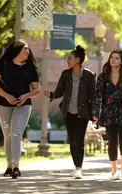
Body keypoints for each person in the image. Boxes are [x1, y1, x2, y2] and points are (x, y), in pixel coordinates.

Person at [44, 45, 95, 179]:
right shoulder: (66, 74)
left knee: (80, 140)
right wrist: (51, 94)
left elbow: (93, 96)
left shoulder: (89, 75)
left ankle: (79, 168)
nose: (68, 60)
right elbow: (60, 91)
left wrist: (95, 113)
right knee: (73, 140)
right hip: (68, 112)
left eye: (70, 58)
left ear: (77, 60)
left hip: (82, 113)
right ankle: (76, 166)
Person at [0, 39, 40, 179]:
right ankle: (9, 165)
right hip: (3, 104)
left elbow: (37, 89)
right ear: (17, 50)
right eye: (25, 49)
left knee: (16, 133)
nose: (28, 51)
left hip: (23, 105)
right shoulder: (3, 64)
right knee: (8, 134)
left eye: (27, 49)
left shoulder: (30, 67)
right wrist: (6, 96)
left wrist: (26, 96)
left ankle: (16, 166)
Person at [92, 49, 122, 180]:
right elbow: (97, 96)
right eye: (112, 57)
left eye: (117, 58)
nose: (113, 60)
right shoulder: (103, 76)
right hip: (109, 113)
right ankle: (114, 170)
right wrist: (95, 113)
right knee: (112, 141)